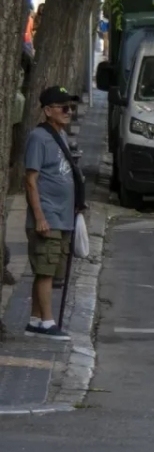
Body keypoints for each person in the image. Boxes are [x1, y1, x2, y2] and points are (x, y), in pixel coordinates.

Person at [24, 86, 83, 340]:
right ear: (48, 111)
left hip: (62, 216)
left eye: (71, 107)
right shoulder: (39, 138)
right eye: (63, 107)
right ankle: (48, 323)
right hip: (48, 217)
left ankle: (36, 320)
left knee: (50, 270)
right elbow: (31, 180)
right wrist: (39, 217)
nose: (69, 111)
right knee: (46, 270)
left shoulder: (59, 135)